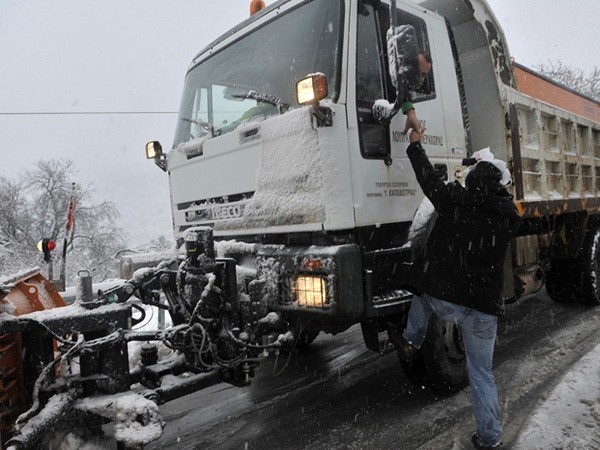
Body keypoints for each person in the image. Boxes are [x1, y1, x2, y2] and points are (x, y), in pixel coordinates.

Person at [391, 128, 520, 449]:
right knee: (482, 374)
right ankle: (489, 438)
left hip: (446, 299)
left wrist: (415, 145)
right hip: (483, 309)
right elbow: (501, 198)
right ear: (499, 187)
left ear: (472, 181)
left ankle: (411, 340)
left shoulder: (454, 200)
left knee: (421, 291)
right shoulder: (508, 218)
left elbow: (427, 178)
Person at [401, 51, 432, 135]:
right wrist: (410, 112)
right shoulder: (395, 79)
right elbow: (399, 85)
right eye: (418, 72)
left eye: (424, 75)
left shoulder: (420, 92)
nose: (421, 79)